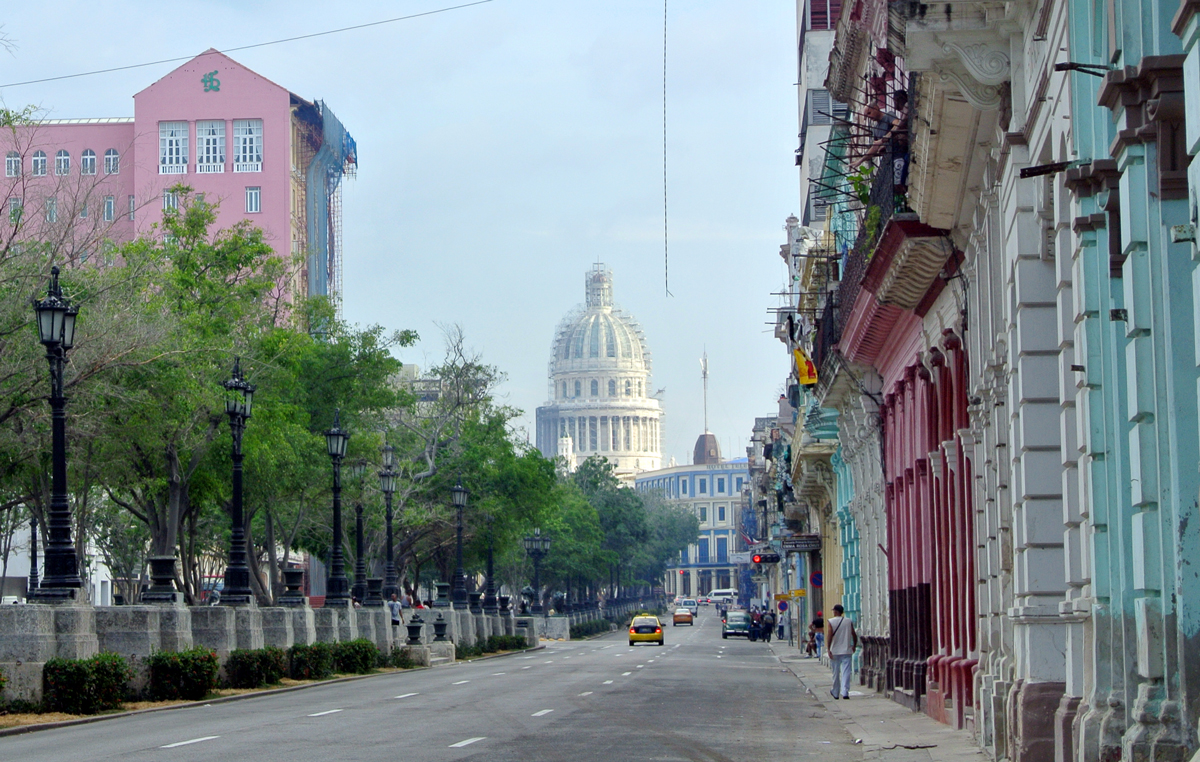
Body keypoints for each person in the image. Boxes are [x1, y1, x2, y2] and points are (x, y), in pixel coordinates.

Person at [824, 604, 858, 700]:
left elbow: (829, 635)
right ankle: (845, 691)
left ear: (835, 612)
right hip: (846, 650)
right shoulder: (848, 621)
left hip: (835, 651)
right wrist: (854, 645)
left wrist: (828, 648)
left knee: (835, 672)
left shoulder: (831, 621)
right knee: (846, 671)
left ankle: (835, 692)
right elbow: (854, 634)